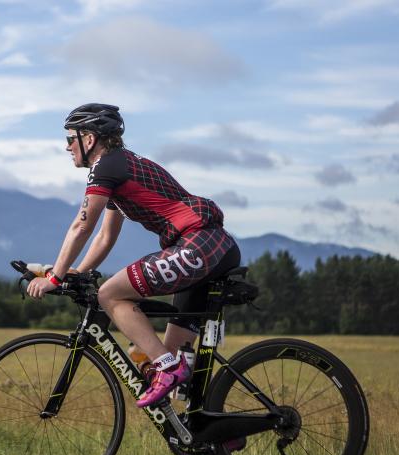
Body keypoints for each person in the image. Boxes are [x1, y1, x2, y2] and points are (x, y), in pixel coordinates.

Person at [26, 103, 241, 408]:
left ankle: (168, 367)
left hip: (199, 245)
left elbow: (82, 225)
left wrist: (55, 276)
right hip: (212, 248)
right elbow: (105, 236)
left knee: (110, 295)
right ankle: (206, 444)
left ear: (89, 139)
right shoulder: (121, 169)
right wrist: (79, 271)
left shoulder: (106, 167)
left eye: (70, 139)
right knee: (173, 359)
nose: (66, 147)